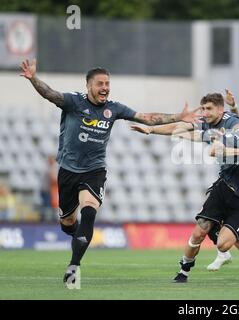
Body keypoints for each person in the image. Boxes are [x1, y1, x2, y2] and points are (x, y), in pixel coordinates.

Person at [20, 58, 201, 289]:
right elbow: (50, 94)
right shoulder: (74, 102)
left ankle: (74, 265)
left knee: (89, 212)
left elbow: (146, 118)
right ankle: (77, 237)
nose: (105, 87)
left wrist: (178, 117)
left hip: (95, 170)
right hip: (67, 170)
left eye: (107, 83)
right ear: (89, 86)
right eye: (100, 83)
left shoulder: (113, 108)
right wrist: (33, 78)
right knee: (67, 223)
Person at [132, 92, 239, 280]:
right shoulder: (214, 127)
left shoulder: (237, 127)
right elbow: (186, 131)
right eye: (203, 108)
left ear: (221, 110)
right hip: (227, 183)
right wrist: (151, 130)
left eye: (208, 109)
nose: (204, 113)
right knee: (207, 228)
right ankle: (194, 267)